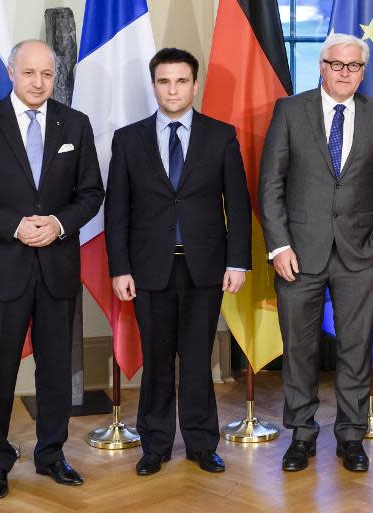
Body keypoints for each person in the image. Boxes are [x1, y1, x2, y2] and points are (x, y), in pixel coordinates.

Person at [0, 40, 104, 498]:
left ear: (55, 77)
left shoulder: (75, 123)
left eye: (47, 75)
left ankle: (52, 455)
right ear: (12, 73)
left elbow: (91, 193)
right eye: (29, 73)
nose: (38, 82)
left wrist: (56, 224)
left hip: (56, 266)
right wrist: (15, 226)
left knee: (56, 370)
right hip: (3, 268)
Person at [105, 48, 251, 476]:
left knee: (196, 357)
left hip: (204, 268)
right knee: (157, 358)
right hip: (148, 269)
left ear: (194, 84)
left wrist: (237, 262)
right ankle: (154, 445)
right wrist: (119, 268)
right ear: (154, 85)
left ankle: (203, 443)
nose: (173, 89)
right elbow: (117, 210)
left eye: (181, 81)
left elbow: (237, 207)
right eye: (164, 81)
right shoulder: (128, 140)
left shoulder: (220, 136)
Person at [258, 33, 373, 473]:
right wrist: (279, 245)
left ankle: (351, 435)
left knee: (355, 348)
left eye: (353, 66)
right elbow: (271, 185)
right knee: (299, 348)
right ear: (321, 66)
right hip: (298, 254)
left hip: (360, 256)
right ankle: (301, 435)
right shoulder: (290, 111)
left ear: (362, 71)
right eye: (336, 64)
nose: (344, 73)